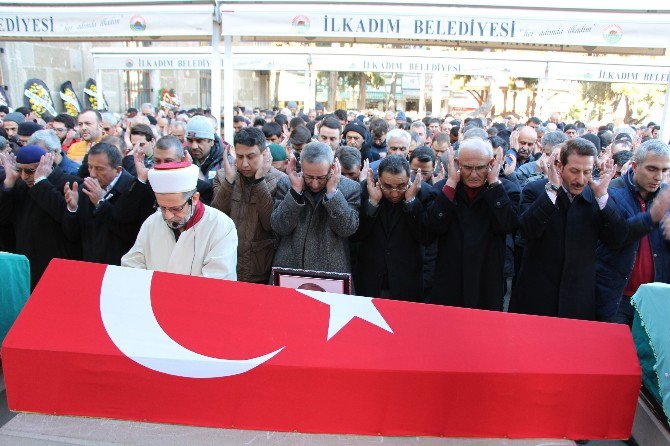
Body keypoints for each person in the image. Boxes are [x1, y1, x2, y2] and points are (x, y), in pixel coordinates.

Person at [510, 138, 627, 320]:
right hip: (536, 297)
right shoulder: (535, 190)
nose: (580, 180)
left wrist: (603, 198)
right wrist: (552, 192)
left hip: (577, 300)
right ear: (559, 166)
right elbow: (527, 231)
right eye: (574, 171)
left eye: (587, 172)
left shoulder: (597, 196)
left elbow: (617, 238)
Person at [424, 138, 518, 310]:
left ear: (491, 164)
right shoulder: (442, 189)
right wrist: (451, 183)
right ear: (458, 163)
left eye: (480, 168)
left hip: (487, 278)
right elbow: (432, 227)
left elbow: (507, 225)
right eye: (467, 168)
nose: (473, 174)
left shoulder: (505, 189)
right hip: (449, 278)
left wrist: (494, 183)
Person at [121, 161, 238, 279]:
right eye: (162, 207)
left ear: (195, 198)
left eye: (175, 209)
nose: (167, 216)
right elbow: (132, 263)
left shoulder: (221, 226)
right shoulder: (152, 222)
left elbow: (218, 278)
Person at [595, 139, 670, 324]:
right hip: (617, 297)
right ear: (635, 166)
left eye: (664, 170)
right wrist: (652, 216)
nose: (658, 177)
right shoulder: (612, 191)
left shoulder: (666, 195)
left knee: (645, 353)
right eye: (652, 169)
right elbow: (617, 236)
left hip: (654, 299)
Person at [271, 141, 360, 274]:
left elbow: (347, 229)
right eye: (309, 177)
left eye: (321, 177)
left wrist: (333, 194)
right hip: (290, 265)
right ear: (301, 167)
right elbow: (279, 227)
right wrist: (295, 192)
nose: (315, 184)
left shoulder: (350, 188)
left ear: (333, 167)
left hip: (331, 269)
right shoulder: (287, 183)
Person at [211, 126, 286, 284]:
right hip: (227, 265)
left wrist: (259, 182)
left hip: (260, 269)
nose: (244, 164)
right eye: (239, 157)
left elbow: (270, 225)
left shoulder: (280, 180)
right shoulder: (223, 177)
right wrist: (229, 183)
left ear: (264, 154)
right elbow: (216, 219)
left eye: (251, 157)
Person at [0, 146, 81, 289]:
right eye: (20, 170)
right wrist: (8, 185)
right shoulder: (19, 185)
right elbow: (4, 220)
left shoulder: (70, 184)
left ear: (46, 165)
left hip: (57, 266)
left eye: (30, 171)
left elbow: (70, 224)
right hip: (25, 264)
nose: (24, 176)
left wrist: (41, 183)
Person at [352, 155, 431, 302]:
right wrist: (372, 203)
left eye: (401, 186)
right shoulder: (365, 189)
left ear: (410, 178)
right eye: (387, 186)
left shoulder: (424, 193)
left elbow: (426, 237)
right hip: (370, 281)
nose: (394, 193)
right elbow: (355, 235)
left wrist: (411, 202)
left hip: (407, 284)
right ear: (379, 180)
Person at [62, 142, 138, 265]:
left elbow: (131, 234)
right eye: (90, 167)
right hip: (90, 266)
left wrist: (101, 203)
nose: (92, 174)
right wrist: (72, 209)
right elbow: (72, 234)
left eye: (99, 169)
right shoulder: (84, 189)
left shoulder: (133, 190)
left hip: (120, 268)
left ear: (117, 170)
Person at [186, 115, 224, 183]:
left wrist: (194, 169)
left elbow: (213, 192)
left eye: (199, 141)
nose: (194, 146)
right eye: (190, 141)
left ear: (211, 142)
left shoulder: (225, 162)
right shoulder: (182, 157)